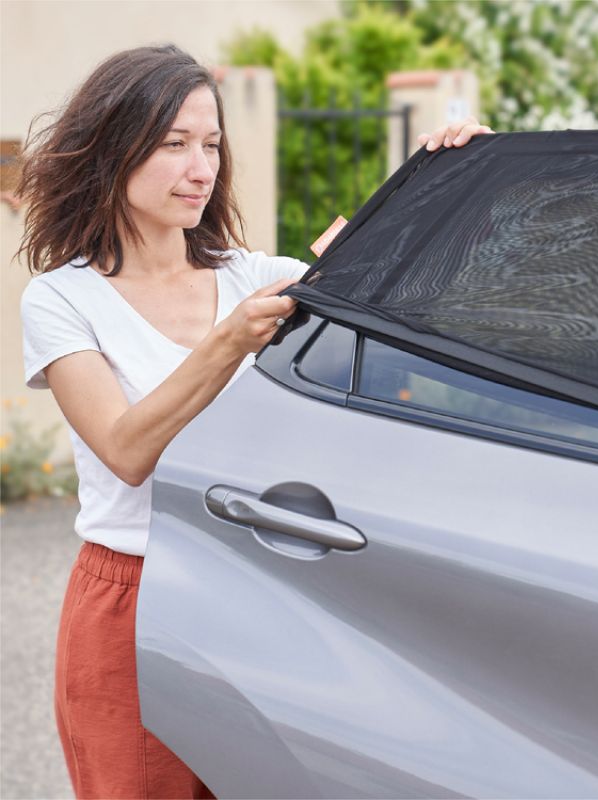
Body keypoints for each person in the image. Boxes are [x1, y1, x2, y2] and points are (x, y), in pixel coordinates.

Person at [16, 44, 492, 799]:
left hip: (262, 586)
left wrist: (460, 179)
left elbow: (417, 293)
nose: (199, 167)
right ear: (115, 149)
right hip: (134, 595)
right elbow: (126, 449)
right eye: (173, 144)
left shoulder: (257, 278)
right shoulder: (62, 299)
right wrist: (229, 340)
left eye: (210, 144)